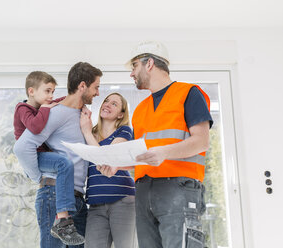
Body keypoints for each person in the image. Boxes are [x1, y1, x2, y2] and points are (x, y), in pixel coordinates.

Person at [99, 41, 213, 248]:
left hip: (178, 188)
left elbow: (201, 141)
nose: (132, 74)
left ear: (149, 63)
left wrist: (164, 152)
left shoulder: (188, 93)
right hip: (143, 192)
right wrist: (118, 166)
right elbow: (145, 156)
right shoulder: (141, 109)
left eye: (134, 66)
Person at [13, 62, 102, 248]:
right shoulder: (56, 113)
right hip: (54, 195)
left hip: (76, 198)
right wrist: (36, 176)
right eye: (96, 87)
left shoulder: (82, 116)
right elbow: (22, 147)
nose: (98, 93)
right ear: (82, 86)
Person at [79, 93, 135, 248]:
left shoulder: (124, 131)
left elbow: (108, 158)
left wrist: (87, 133)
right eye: (106, 101)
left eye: (114, 104)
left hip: (123, 200)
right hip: (95, 204)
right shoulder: (90, 133)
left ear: (121, 114)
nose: (108, 104)